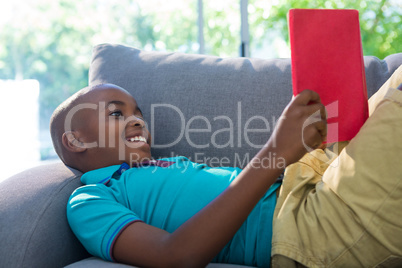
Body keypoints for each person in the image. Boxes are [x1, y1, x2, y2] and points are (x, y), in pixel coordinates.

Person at [50, 65, 402, 267]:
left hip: (307, 182)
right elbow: (176, 256)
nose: (138, 121)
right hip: (308, 228)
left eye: (138, 113)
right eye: (117, 113)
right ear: (76, 139)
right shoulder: (91, 198)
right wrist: (275, 153)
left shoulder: (161, 167)